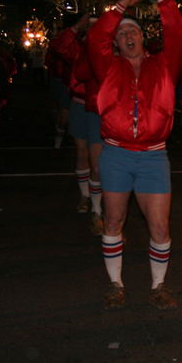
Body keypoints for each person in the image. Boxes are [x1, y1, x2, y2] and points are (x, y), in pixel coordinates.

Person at [87, 0, 182, 309]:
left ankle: (159, 285)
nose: (127, 36)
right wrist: (122, 4)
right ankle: (115, 283)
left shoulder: (164, 65)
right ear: (114, 42)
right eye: (121, 33)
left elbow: (178, 35)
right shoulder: (108, 67)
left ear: (143, 37)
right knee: (113, 221)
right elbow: (94, 38)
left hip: (153, 158)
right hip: (115, 153)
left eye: (133, 31)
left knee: (160, 225)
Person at [51, 14, 104, 235]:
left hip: (100, 109)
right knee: (81, 154)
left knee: (97, 163)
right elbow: (58, 47)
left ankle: (97, 209)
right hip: (80, 105)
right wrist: (76, 26)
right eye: (89, 29)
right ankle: (85, 195)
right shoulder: (78, 50)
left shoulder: (109, 50)